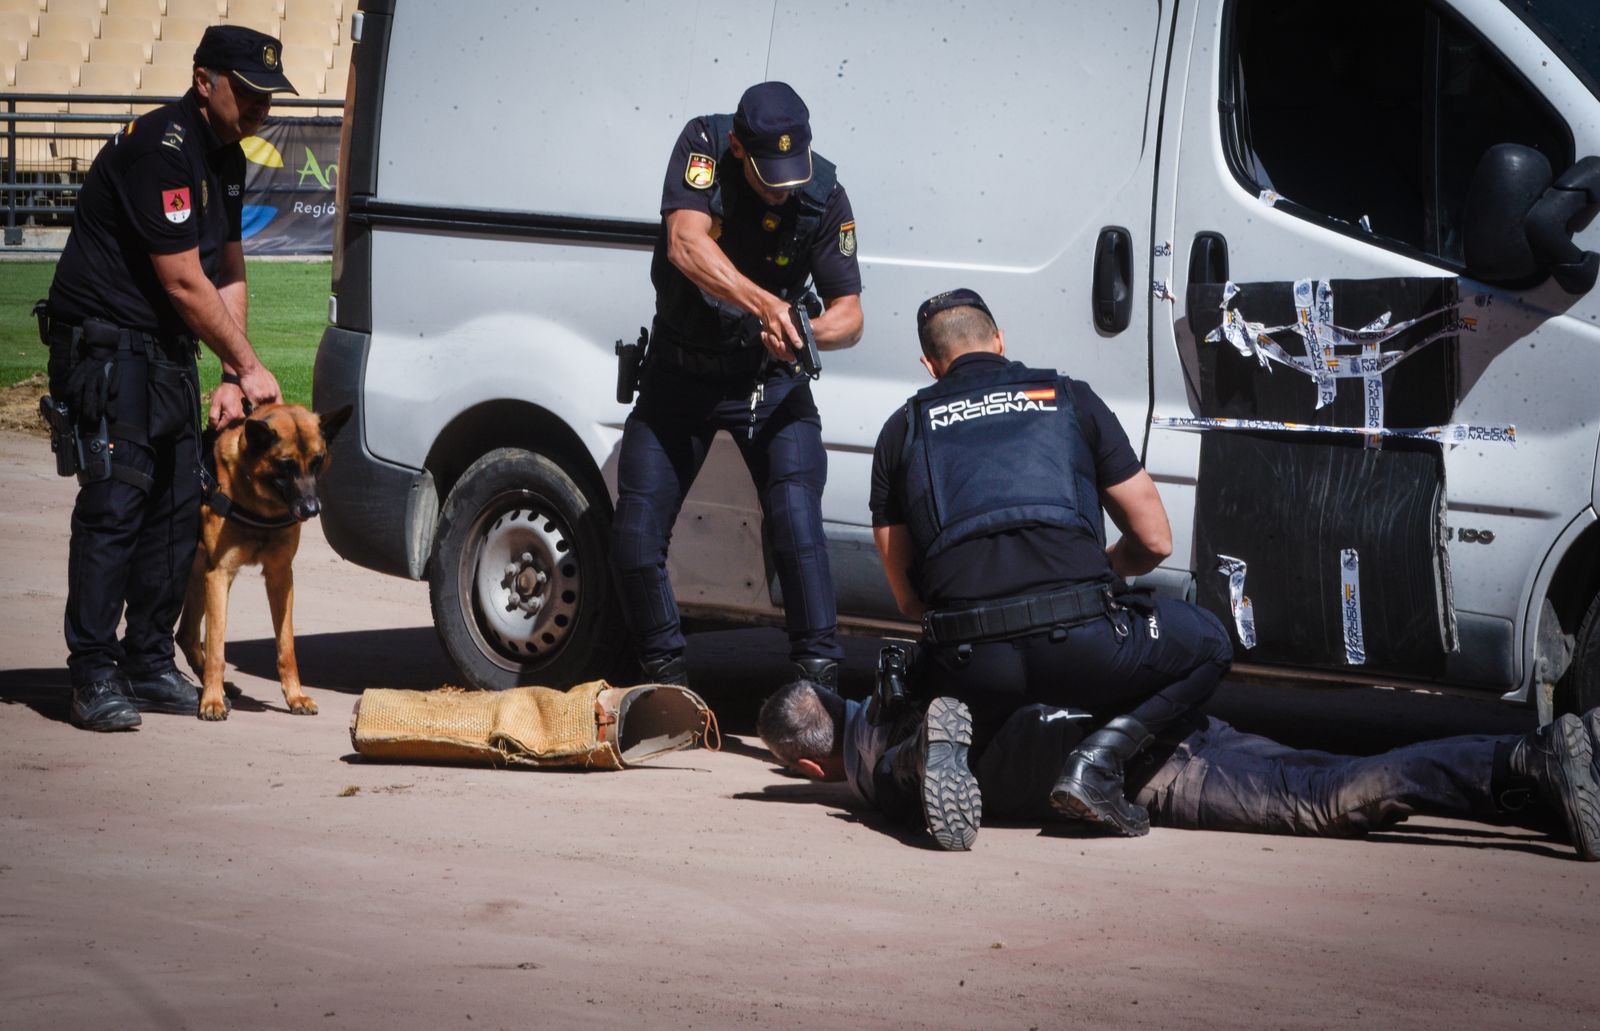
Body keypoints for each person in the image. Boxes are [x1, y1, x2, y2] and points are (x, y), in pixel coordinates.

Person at [868, 288, 1232, 839]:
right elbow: (1155, 540)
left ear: (930, 365)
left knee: (901, 776)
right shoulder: (1071, 399)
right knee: (1209, 641)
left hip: (972, 664)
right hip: (1085, 649)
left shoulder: (902, 429)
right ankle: (1098, 763)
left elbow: (907, 598)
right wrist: (1105, 570)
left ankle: (914, 758)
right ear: (999, 340)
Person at [38, 25, 293, 731]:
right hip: (106, 346)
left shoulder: (227, 156)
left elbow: (228, 269)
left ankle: (149, 660)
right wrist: (250, 365)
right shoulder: (162, 147)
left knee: (180, 506)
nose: (261, 106)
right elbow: (183, 280)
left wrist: (232, 374)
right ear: (204, 80)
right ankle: (93, 673)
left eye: (268, 96)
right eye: (248, 91)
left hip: (166, 352)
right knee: (116, 505)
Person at [610, 81, 864, 690]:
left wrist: (803, 332)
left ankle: (818, 690)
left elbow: (851, 316)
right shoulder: (703, 143)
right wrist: (765, 305)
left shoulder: (825, 193)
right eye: (770, 176)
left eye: (792, 174)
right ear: (738, 148)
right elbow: (684, 242)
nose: (783, 188)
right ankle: (667, 684)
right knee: (635, 536)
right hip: (680, 373)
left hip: (768, 380)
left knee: (797, 522)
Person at [757, 679, 1600, 861]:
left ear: (811, 762)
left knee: (1331, 796)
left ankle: (1523, 759)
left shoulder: (876, 769)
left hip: (1153, 774)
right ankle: (1548, 777)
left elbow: (922, 776)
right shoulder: (902, 678)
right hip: (1143, 723)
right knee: (1342, 772)